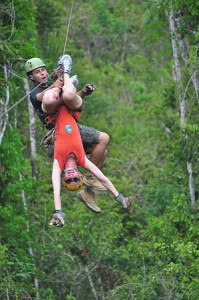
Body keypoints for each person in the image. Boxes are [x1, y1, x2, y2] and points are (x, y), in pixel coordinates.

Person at [25, 55, 109, 212]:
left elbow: (68, 101)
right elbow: (42, 97)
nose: (42, 73)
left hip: (69, 127)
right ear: (31, 77)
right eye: (37, 72)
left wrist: (83, 92)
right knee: (104, 138)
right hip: (61, 130)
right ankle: (90, 178)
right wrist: (59, 83)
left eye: (43, 70)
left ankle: (88, 189)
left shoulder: (52, 84)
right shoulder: (35, 92)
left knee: (102, 150)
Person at [49, 76, 132, 226]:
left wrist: (58, 213)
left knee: (55, 97)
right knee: (69, 94)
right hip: (72, 109)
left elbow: (56, 190)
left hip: (53, 109)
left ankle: (66, 79)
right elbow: (104, 178)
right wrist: (120, 198)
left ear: (64, 178)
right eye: (75, 178)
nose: (71, 176)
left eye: (68, 180)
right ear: (79, 175)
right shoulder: (82, 159)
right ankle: (66, 74)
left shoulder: (58, 163)